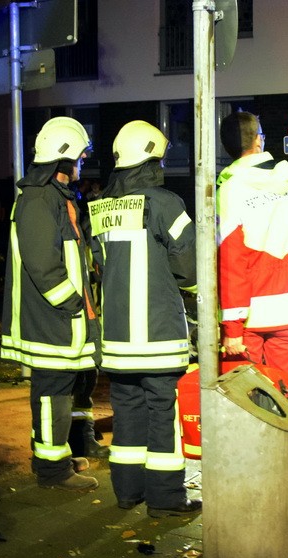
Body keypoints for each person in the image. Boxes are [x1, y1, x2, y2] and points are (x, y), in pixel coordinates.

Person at [217, 111, 288, 512]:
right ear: (259, 140)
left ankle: (260, 482)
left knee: (252, 397)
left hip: (251, 314)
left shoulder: (230, 186)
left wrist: (231, 326)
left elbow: (230, 263)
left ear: (229, 146)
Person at [88, 120, 200, 517]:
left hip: (116, 338)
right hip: (158, 334)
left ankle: (128, 491)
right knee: (162, 415)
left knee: (127, 414)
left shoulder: (100, 207)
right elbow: (189, 268)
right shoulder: (166, 203)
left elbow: (100, 264)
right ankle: (167, 499)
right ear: (152, 160)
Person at [0, 117, 100, 490]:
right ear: (63, 160)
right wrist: (72, 304)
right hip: (51, 321)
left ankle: (54, 454)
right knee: (51, 393)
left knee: (58, 391)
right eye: (79, 158)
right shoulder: (39, 201)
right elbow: (44, 266)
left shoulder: (54, 197)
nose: (83, 164)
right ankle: (51, 470)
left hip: (60, 319)